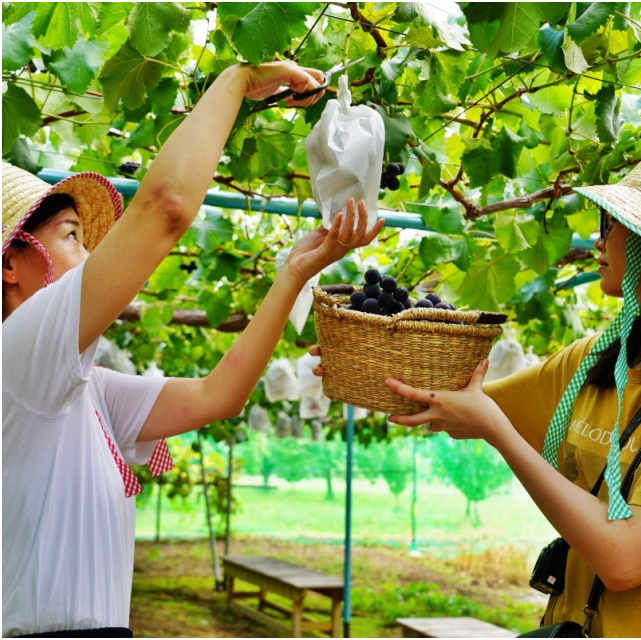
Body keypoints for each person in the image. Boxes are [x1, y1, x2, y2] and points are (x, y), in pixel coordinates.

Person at [310, 139, 641, 636]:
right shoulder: (596, 361)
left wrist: (498, 435)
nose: (599, 239)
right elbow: (452, 403)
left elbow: (625, 559)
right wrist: (363, 353)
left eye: (612, 225)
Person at [2, 61, 385, 638]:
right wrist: (237, 81)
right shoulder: (16, 357)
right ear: (10, 263)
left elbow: (219, 395)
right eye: (73, 236)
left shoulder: (77, 389)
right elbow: (166, 208)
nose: (90, 257)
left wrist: (292, 276)